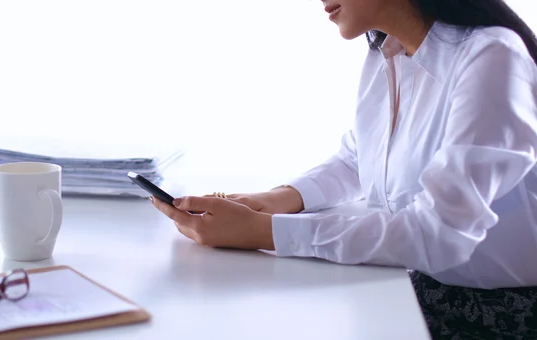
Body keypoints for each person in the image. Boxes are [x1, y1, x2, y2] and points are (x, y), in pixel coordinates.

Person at [151, 0, 537, 338]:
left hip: (496, 315)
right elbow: (360, 156)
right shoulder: (389, 55)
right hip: (414, 285)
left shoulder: (492, 55)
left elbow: (440, 234)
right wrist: (277, 200)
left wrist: (265, 232)